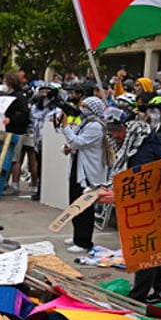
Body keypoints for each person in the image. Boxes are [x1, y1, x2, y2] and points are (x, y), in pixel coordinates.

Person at [104, 108, 161, 302]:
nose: (115, 136)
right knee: (155, 248)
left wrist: (117, 196)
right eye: (112, 132)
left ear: (126, 127)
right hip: (146, 202)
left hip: (151, 203)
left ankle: (138, 296)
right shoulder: (130, 143)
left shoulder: (142, 148)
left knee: (145, 249)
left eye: (117, 131)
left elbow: (141, 183)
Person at [60, 96, 108, 253]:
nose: (82, 109)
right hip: (79, 167)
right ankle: (76, 237)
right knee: (75, 204)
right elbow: (74, 143)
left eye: (85, 106)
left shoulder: (96, 127)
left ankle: (84, 241)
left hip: (89, 173)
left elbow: (77, 142)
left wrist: (66, 127)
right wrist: (67, 147)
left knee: (85, 207)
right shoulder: (86, 124)